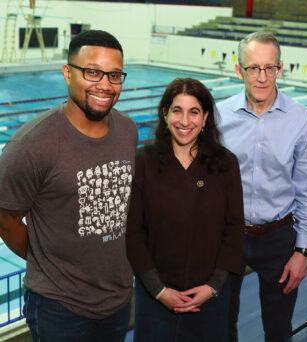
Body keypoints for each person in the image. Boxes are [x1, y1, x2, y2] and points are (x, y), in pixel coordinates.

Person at [0, 30, 138, 342]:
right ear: (67, 73)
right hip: (58, 306)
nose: (105, 84)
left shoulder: (128, 129)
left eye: (114, 75)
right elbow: (6, 221)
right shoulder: (31, 144)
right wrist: (49, 265)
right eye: (92, 72)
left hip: (117, 299)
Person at [217, 32, 307, 342]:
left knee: (278, 329)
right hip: (227, 236)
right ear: (239, 70)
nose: (262, 77)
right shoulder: (219, 116)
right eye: (253, 68)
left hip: (278, 238)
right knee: (221, 325)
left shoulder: (302, 119)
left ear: (280, 68)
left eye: (269, 68)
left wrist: (303, 250)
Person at [126, 78, 244, 342]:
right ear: (165, 114)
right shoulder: (143, 162)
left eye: (194, 112)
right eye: (177, 110)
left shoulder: (225, 164)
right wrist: (158, 290)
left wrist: (213, 286)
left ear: (205, 119)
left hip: (209, 298)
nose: (185, 121)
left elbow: (234, 229)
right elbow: (132, 233)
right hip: (155, 298)